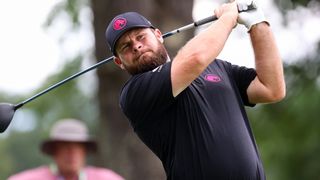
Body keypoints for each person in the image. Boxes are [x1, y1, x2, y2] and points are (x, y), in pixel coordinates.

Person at [105, 0, 285, 179]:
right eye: (126, 47)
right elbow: (195, 58)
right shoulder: (134, 93)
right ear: (119, 62)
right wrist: (228, 17)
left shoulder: (216, 67)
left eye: (141, 37)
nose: (136, 46)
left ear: (158, 35)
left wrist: (257, 22)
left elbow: (271, 88)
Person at [8, 118, 124, 180]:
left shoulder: (106, 178)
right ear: (54, 151)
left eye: (77, 146)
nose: (71, 153)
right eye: (65, 146)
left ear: (84, 151)